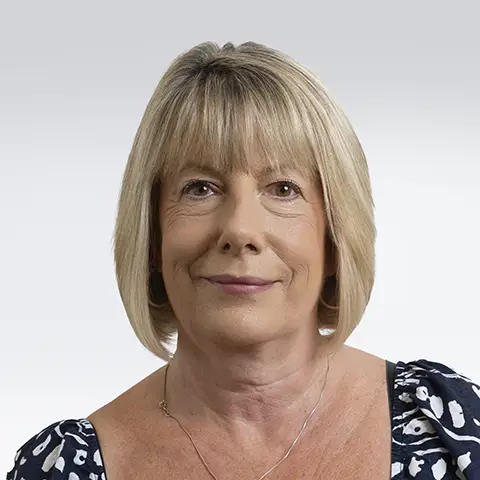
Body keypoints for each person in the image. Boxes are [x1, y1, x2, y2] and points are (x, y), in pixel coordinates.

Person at [6, 41, 480, 480]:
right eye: (200, 188)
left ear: (336, 236)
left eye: (283, 189)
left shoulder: (449, 427)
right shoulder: (62, 468)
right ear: (152, 235)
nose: (240, 231)